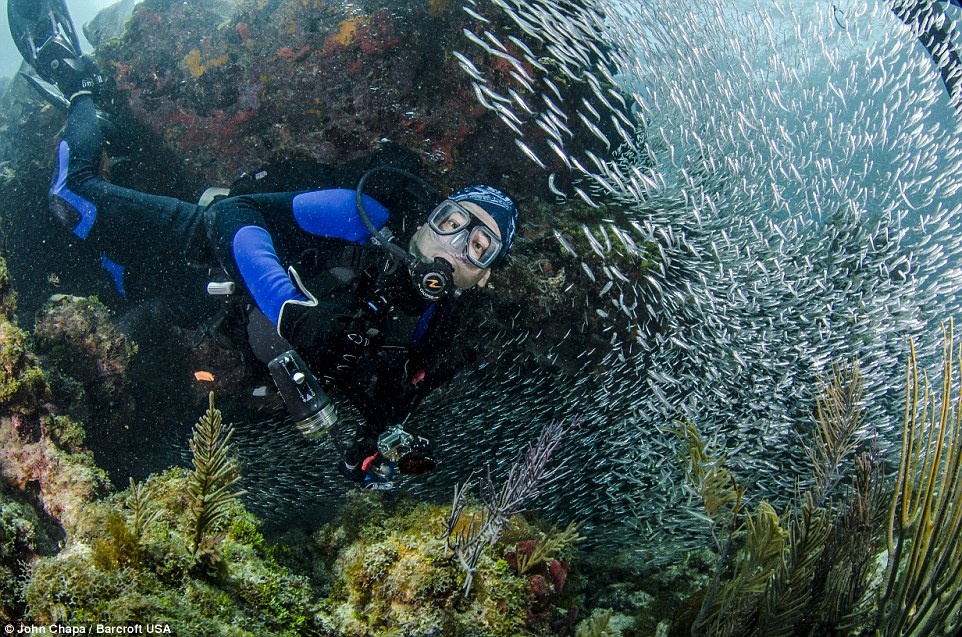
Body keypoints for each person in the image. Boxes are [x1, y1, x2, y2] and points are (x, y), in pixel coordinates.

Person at [9, 0, 519, 488]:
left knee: (114, 272)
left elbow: (392, 403)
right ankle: (79, 85)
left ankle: (119, 138)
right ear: (428, 219)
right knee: (72, 200)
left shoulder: (439, 329)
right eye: (453, 221)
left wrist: (370, 450)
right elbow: (234, 213)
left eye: (479, 246)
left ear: (485, 274)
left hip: (200, 323)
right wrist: (291, 310)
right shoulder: (364, 215)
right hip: (199, 252)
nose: (454, 247)